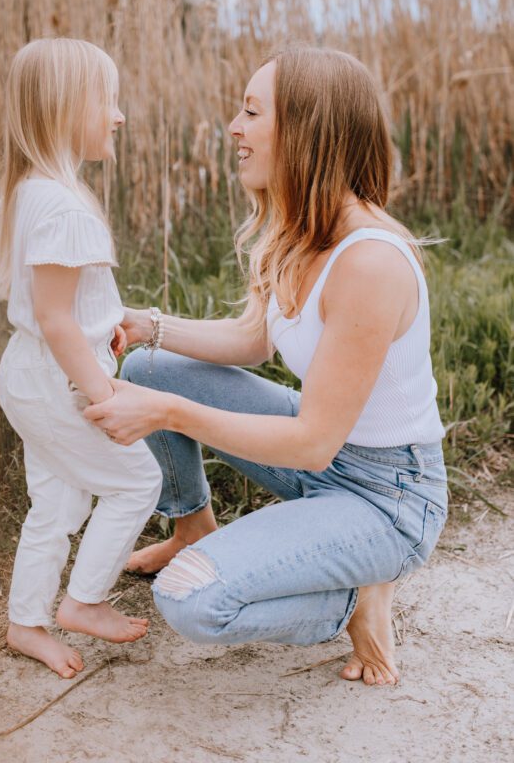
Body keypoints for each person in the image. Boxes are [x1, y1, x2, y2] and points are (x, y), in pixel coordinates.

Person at [84, 43, 448, 687]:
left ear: (307, 131)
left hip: (388, 497)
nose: (234, 127)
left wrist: (169, 413)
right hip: (329, 456)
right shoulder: (299, 230)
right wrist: (152, 326)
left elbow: (310, 443)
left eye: (252, 112)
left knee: (189, 599)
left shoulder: (370, 263)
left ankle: (356, 594)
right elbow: (255, 340)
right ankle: (192, 528)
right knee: (147, 367)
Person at [0, 37, 162, 679]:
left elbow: (60, 307)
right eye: (106, 101)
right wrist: (104, 395)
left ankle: (26, 623)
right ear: (64, 110)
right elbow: (58, 320)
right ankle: (83, 601)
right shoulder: (65, 206)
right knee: (138, 481)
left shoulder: (30, 193)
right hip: (58, 380)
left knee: (56, 505)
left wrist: (106, 323)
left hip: (33, 371)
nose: (117, 115)